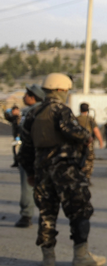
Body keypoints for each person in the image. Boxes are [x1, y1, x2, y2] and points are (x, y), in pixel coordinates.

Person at [19, 73, 106, 266]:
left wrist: (31, 173)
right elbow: (72, 131)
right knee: (80, 210)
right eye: (66, 91)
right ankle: (81, 256)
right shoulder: (61, 110)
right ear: (60, 90)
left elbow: (25, 148)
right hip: (65, 171)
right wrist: (86, 136)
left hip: (42, 171)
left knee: (46, 215)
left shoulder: (33, 113)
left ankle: (48, 259)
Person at [13, 84, 45, 228]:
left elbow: (25, 134)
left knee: (28, 185)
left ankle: (26, 215)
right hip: (45, 155)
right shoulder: (45, 110)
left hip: (30, 154)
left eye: (26, 95)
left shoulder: (30, 112)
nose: (24, 97)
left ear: (33, 97)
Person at [76, 103, 104, 181]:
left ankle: (79, 176)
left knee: (78, 159)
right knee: (89, 159)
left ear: (80, 109)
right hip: (88, 143)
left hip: (77, 143)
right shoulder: (90, 119)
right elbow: (96, 131)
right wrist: (101, 141)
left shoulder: (76, 119)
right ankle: (87, 177)